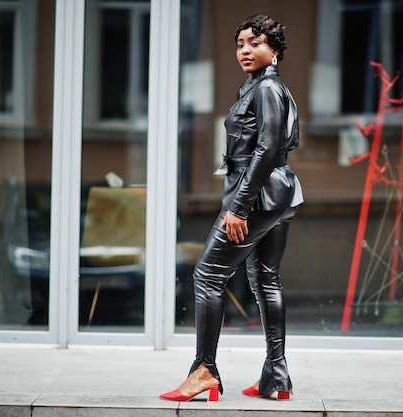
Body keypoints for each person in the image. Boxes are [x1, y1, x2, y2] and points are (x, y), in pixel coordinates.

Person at [160, 14, 303, 402]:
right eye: (241, 43)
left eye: (255, 43)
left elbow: (267, 148)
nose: (245, 49)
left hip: (255, 195)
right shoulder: (259, 87)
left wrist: (238, 207)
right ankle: (276, 374)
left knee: (207, 276)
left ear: (275, 51)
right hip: (275, 193)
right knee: (265, 278)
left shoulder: (267, 89)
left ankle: (203, 371)